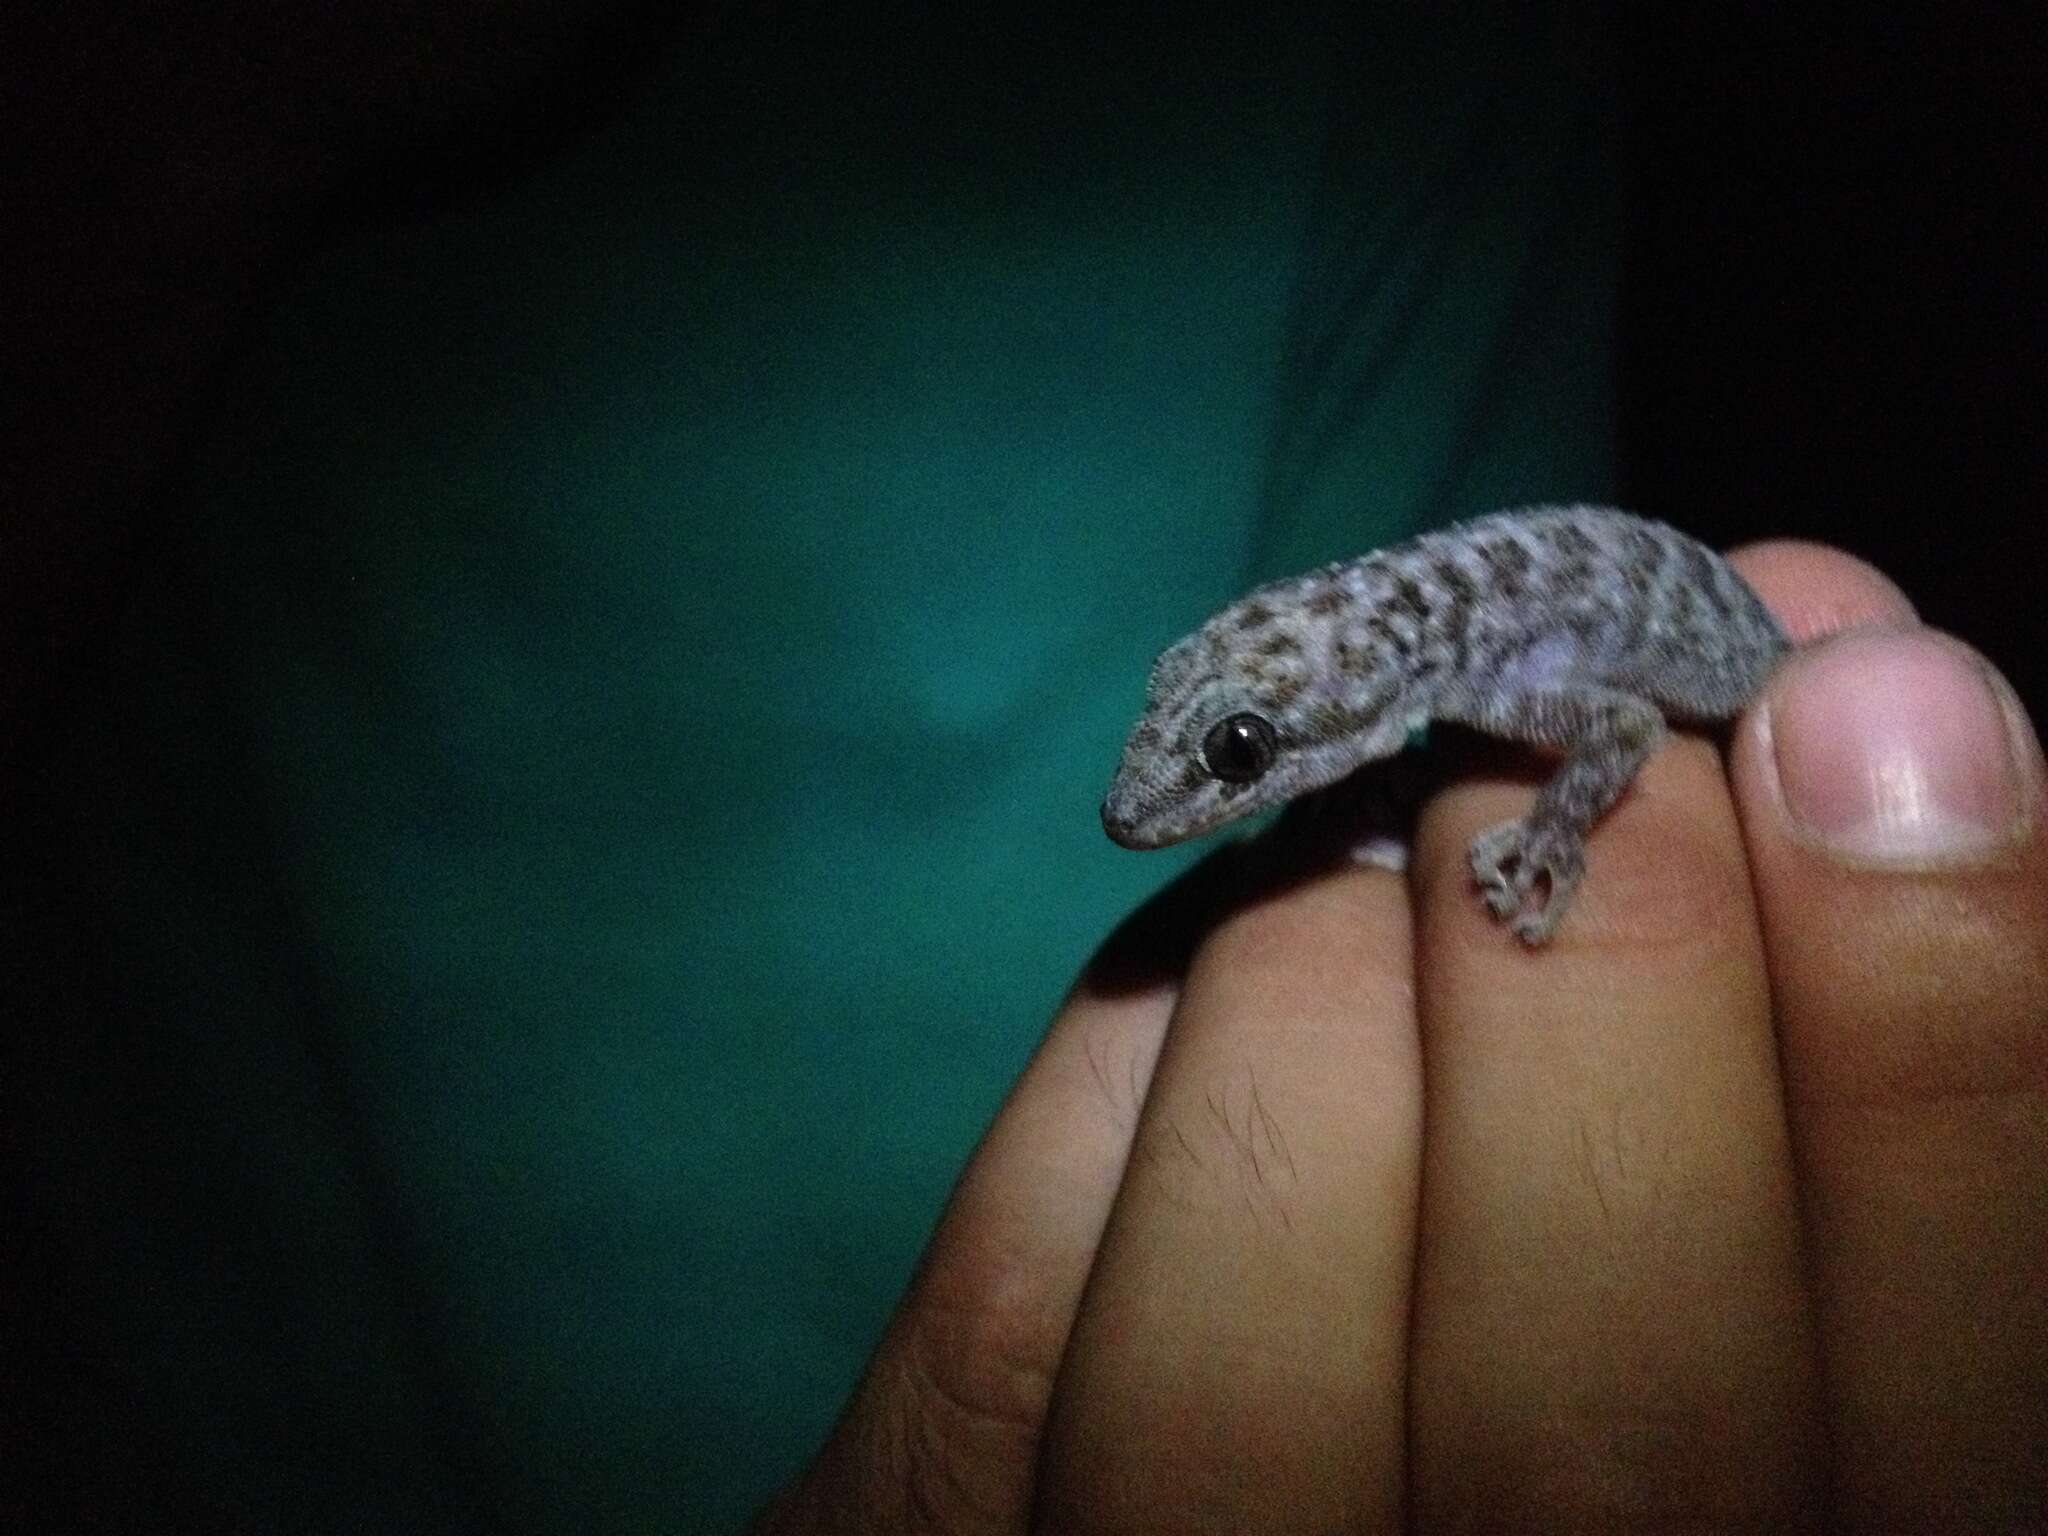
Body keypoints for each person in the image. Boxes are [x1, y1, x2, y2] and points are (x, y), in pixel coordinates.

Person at [756, 543, 2048, 1531]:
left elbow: (1627, 723)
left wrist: (1550, 838)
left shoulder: (1502, 669)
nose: (1155, 800)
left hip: (1748, 681)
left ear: (1362, 700)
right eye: (1212, 735)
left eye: (1240, 753)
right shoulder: (1423, 669)